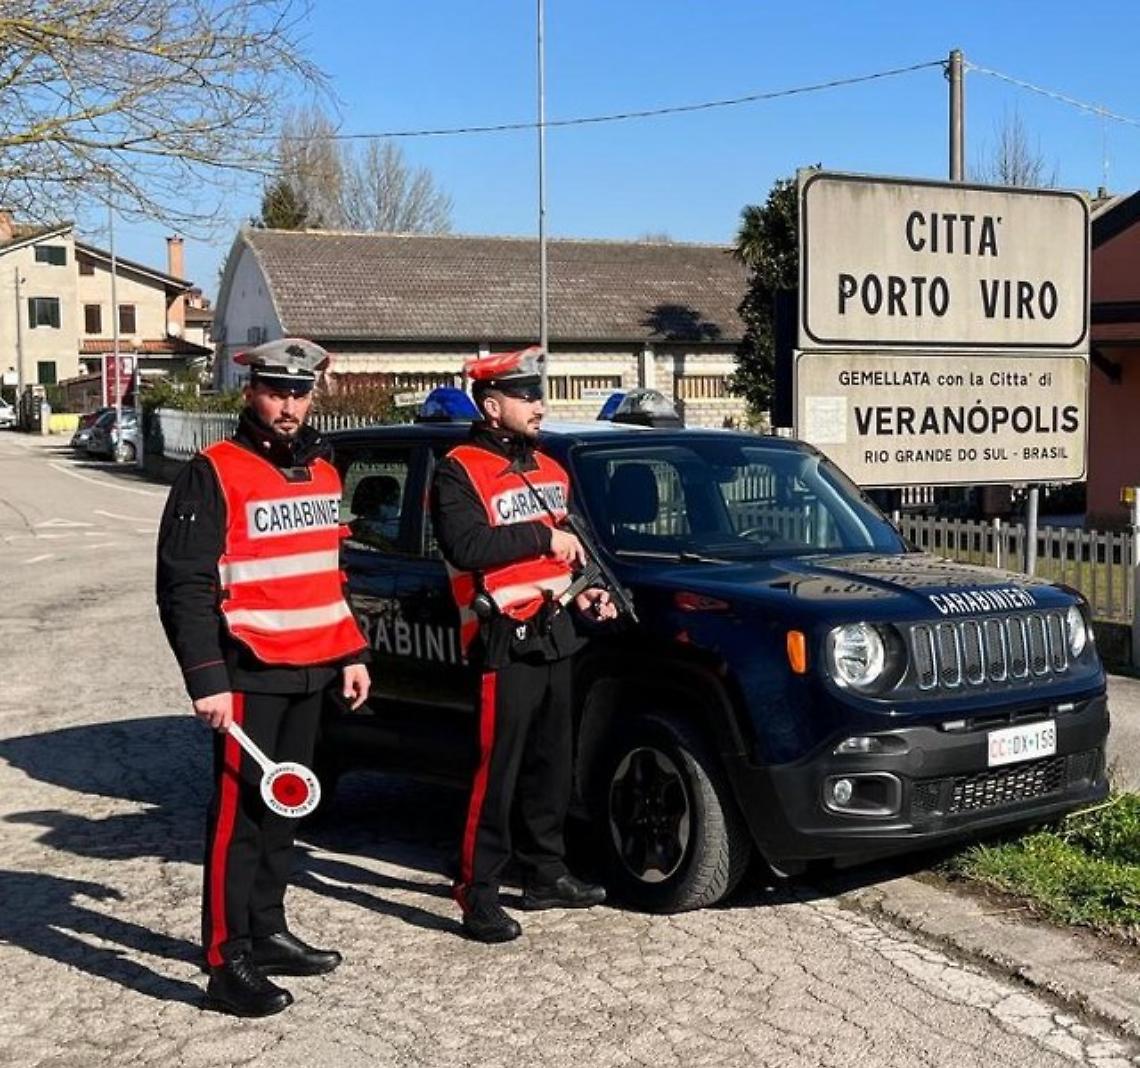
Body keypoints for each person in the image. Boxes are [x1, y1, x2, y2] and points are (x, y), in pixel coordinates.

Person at [156, 337, 370, 1017]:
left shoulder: (324, 470)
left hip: (311, 666)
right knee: (237, 822)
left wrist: (351, 651)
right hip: (246, 672)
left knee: (286, 810)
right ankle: (226, 959)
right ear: (250, 392)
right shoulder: (213, 471)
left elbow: (324, 573)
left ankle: (268, 930)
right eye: (277, 391)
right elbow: (183, 584)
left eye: (300, 393)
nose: (288, 406)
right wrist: (206, 678)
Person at [430, 345, 616, 944]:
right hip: (499, 639)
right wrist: (541, 536)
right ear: (491, 405)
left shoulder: (550, 469)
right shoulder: (458, 467)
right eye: (525, 396)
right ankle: (476, 892)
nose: (539, 406)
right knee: (496, 774)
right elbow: (467, 547)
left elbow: (569, 553)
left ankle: (545, 873)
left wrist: (589, 593)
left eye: (539, 395)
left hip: (555, 631)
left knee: (550, 765)